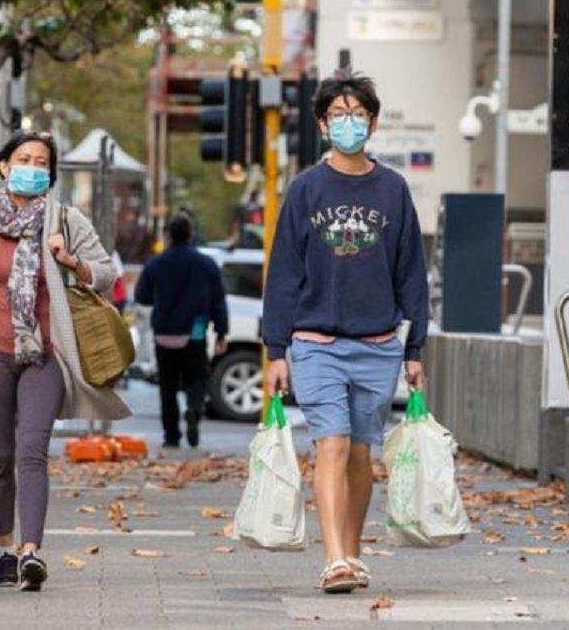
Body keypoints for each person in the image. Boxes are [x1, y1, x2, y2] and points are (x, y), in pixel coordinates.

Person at [0, 131, 131, 592]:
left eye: (42, 162)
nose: (33, 167)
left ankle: (31, 553)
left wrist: (71, 261)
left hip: (45, 354)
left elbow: (106, 274)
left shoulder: (65, 220)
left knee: (31, 453)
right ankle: (5, 547)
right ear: (3, 166)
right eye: (24, 158)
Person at [261, 70, 429, 594]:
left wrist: (415, 347)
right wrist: (275, 349)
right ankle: (333, 559)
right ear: (322, 124)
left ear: (373, 124)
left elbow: (411, 272)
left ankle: (351, 554)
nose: (348, 124)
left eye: (357, 115)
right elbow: (284, 272)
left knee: (361, 453)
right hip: (315, 344)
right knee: (330, 444)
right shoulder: (306, 189)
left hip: (378, 345)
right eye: (338, 115)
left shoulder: (394, 189)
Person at [134, 214, 229, 448]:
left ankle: (171, 436)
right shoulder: (206, 264)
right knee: (197, 377)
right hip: (195, 331)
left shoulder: (156, 263)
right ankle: (195, 409)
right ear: (190, 235)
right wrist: (221, 332)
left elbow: (141, 296)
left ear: (169, 235)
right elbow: (218, 300)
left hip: (164, 333)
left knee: (167, 387)